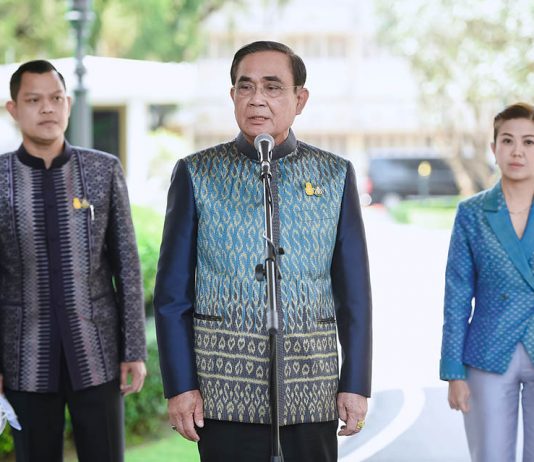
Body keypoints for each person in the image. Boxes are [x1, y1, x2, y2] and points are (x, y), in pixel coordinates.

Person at [154, 40, 372, 462]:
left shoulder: (334, 174)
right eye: (245, 86)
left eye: (273, 87)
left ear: (299, 99)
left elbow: (355, 294)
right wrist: (180, 386)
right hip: (222, 389)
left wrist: (356, 383)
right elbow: (171, 295)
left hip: (312, 385)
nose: (257, 99)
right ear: (232, 95)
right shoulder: (197, 173)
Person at [0, 60, 147, 462]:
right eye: (34, 100)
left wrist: (134, 349)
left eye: (56, 98)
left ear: (68, 104)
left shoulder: (103, 169)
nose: (47, 108)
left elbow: (127, 266)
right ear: (13, 109)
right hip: (25, 360)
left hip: (97, 354)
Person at [440, 102, 534, 461]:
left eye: (529, 142)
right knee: (490, 455)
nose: (518, 151)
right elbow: (456, 295)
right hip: (488, 350)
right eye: (508, 140)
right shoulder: (472, 213)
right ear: (494, 149)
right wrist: (453, 371)